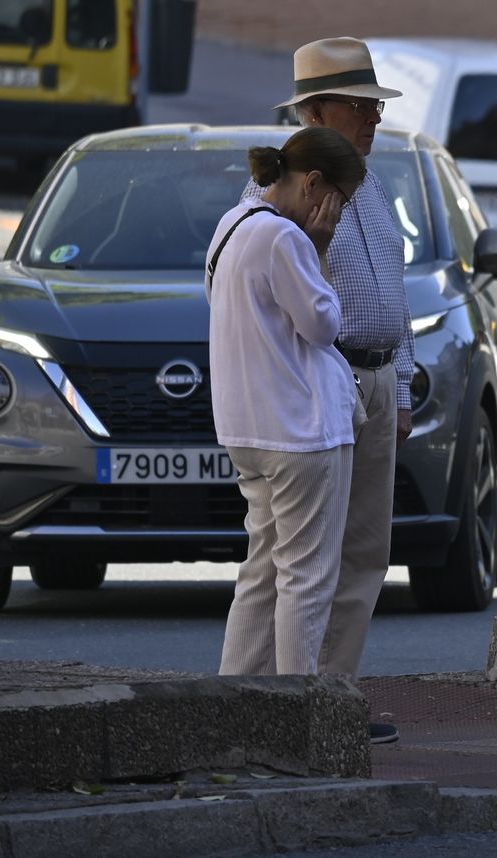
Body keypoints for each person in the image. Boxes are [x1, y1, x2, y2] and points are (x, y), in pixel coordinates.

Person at [252, 37, 415, 742]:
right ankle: (281, 704)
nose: (373, 119)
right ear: (316, 112)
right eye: (360, 106)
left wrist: (402, 384)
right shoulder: (288, 191)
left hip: (375, 379)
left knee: (364, 554)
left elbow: (395, 289)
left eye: (375, 106)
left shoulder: (372, 183)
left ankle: (335, 700)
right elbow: (275, 295)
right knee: (298, 560)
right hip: (327, 381)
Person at [207, 126, 367, 676]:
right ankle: (299, 715)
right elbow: (322, 324)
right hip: (301, 430)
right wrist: (319, 251)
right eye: (339, 202)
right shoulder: (286, 238)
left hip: (247, 429)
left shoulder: (231, 225)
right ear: (314, 183)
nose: (337, 216)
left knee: (260, 575)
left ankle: (237, 705)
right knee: (306, 578)